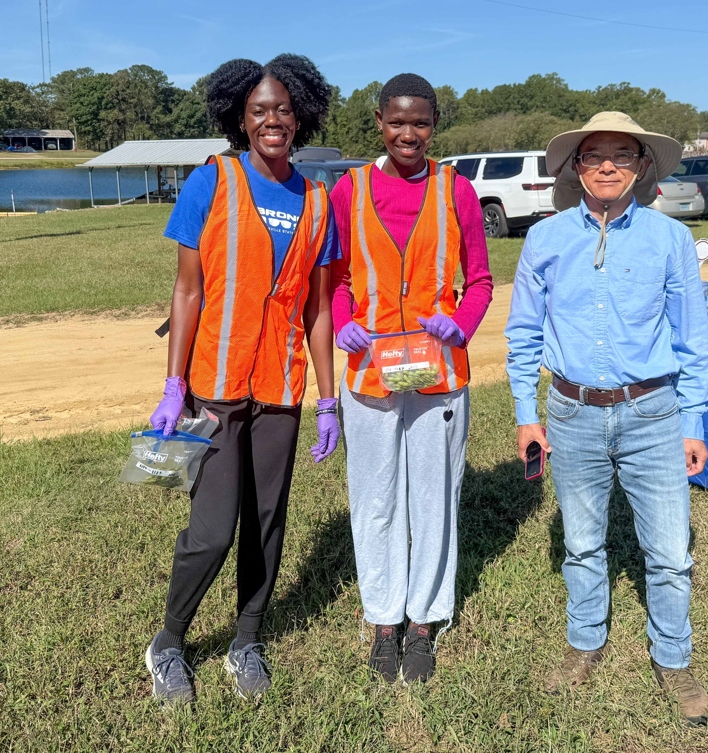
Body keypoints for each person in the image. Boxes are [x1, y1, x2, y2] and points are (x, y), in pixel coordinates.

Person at [505, 111, 708, 725]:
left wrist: (693, 421)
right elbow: (522, 333)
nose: (606, 165)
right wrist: (526, 414)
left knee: (671, 551)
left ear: (641, 166)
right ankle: (585, 642)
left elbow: (692, 336)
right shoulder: (545, 239)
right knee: (581, 542)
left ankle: (673, 657)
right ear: (575, 166)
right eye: (593, 155)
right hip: (571, 413)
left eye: (621, 155)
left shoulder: (669, 239)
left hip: (654, 413)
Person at [144, 54, 340, 705]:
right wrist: (174, 387)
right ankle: (169, 641)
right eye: (259, 110)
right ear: (239, 117)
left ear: (301, 114)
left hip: (281, 388)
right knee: (212, 528)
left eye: (283, 109)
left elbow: (318, 309)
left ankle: (246, 638)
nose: (272, 120)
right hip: (217, 384)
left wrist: (328, 396)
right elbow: (188, 290)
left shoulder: (316, 200)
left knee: (266, 520)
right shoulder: (213, 181)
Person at [329, 73, 493, 685]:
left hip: (439, 373)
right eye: (397, 122)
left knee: (433, 498)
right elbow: (339, 279)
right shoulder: (349, 191)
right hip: (369, 372)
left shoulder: (458, 191)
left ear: (433, 126)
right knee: (374, 499)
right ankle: (382, 618)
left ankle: (423, 621)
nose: (408, 134)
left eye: (420, 123)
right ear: (379, 122)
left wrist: (460, 325)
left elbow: (478, 281)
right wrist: (345, 322)